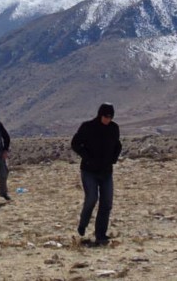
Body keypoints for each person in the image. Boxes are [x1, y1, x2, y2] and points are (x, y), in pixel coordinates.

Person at [70, 102, 122, 246]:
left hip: (106, 171)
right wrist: (87, 157)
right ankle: (83, 223)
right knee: (92, 198)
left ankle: (100, 234)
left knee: (106, 202)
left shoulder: (114, 128)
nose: (108, 119)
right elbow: (75, 143)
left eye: (110, 117)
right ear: (100, 114)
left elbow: (117, 145)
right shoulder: (87, 127)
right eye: (106, 116)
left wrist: (113, 159)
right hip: (89, 171)